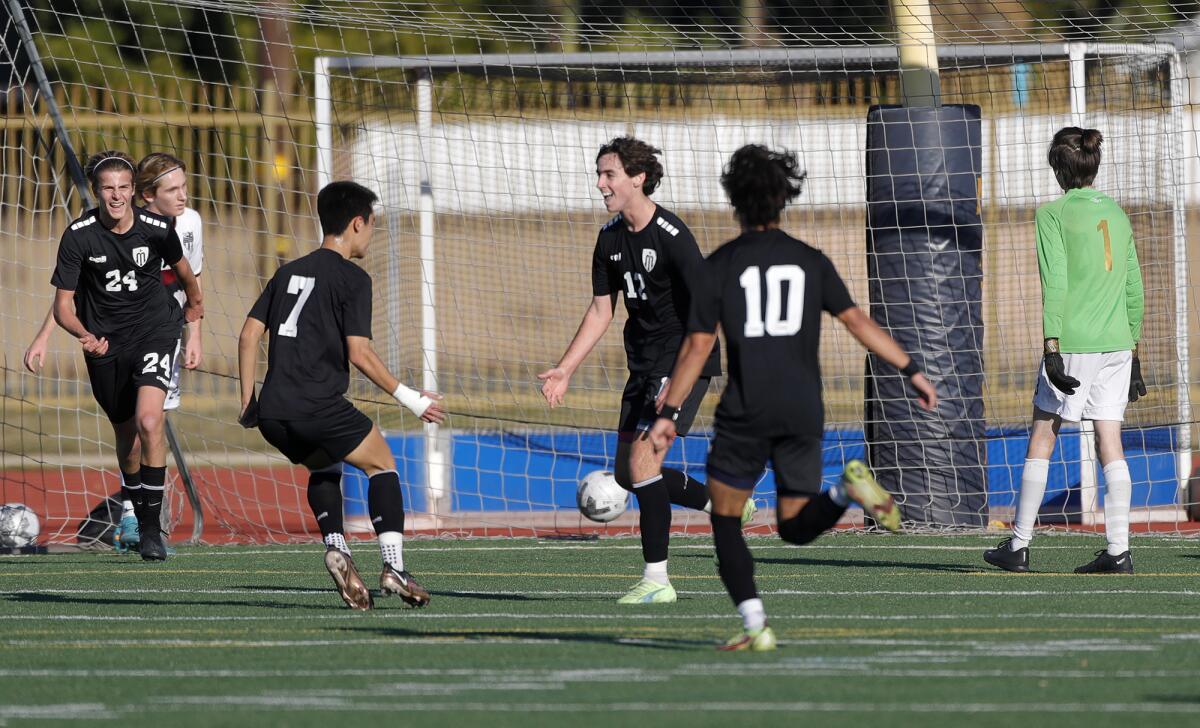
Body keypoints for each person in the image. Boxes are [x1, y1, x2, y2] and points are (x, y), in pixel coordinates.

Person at [649, 144, 937, 651]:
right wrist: (910, 367)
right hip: (803, 407)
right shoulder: (810, 261)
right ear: (785, 198)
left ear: (734, 199)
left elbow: (698, 345)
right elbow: (857, 321)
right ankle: (846, 492)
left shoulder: (718, 266)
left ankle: (756, 626)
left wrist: (669, 412)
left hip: (747, 410)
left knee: (725, 518)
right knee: (796, 528)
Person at [538, 136, 751, 605]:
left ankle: (657, 581)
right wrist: (565, 369)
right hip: (643, 365)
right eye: (598, 174)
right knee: (628, 474)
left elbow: (707, 314)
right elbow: (600, 311)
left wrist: (677, 385)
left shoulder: (672, 236)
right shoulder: (609, 239)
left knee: (642, 464)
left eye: (609, 174)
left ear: (638, 178)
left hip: (683, 362)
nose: (600, 184)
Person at [238, 180, 446, 610]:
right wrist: (413, 399)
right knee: (383, 465)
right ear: (357, 223)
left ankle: (338, 547)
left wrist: (247, 402)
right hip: (318, 404)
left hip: (274, 412)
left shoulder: (286, 272)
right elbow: (360, 352)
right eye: (372, 225)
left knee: (324, 463)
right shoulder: (353, 278)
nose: (371, 233)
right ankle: (393, 567)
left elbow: (248, 334)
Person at [25, 151, 205, 552]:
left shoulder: (159, 227)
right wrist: (82, 334)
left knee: (149, 420)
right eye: (108, 188)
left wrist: (194, 309)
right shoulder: (79, 235)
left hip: (156, 331)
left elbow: (187, 272)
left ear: (132, 191)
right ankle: (134, 515)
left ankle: (152, 532)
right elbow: (64, 305)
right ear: (96, 191)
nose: (117, 195)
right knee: (128, 438)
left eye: (123, 187)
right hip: (106, 343)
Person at [984, 127, 1144, 575]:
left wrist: (1051, 346)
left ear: (1058, 169)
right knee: (1110, 440)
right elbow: (1134, 285)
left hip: (1073, 342)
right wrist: (1134, 349)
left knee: (1043, 435)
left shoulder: (1052, 214)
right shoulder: (1116, 213)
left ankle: (1018, 545)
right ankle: (1118, 551)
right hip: (1117, 344)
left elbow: (1054, 282)